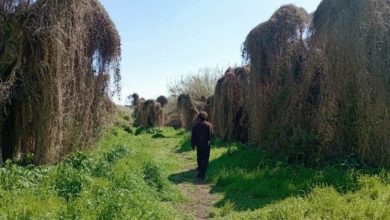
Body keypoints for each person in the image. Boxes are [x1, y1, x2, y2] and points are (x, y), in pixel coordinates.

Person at [191, 111, 213, 179]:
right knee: (205, 158)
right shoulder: (209, 125)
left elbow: (193, 136)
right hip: (206, 144)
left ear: (198, 117)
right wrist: (210, 141)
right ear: (206, 117)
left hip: (199, 145)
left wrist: (193, 145)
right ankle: (203, 172)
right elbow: (212, 135)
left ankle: (200, 170)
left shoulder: (195, 125)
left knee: (199, 157)